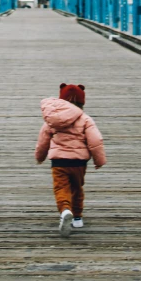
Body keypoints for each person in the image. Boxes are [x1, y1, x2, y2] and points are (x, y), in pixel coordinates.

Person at [34, 82, 106, 236]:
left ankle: (65, 210)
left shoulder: (52, 120)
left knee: (61, 188)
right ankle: (78, 218)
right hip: (79, 163)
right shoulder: (85, 119)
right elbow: (95, 141)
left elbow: (43, 140)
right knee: (77, 188)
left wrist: (40, 157)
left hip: (59, 161)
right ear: (81, 103)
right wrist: (99, 161)